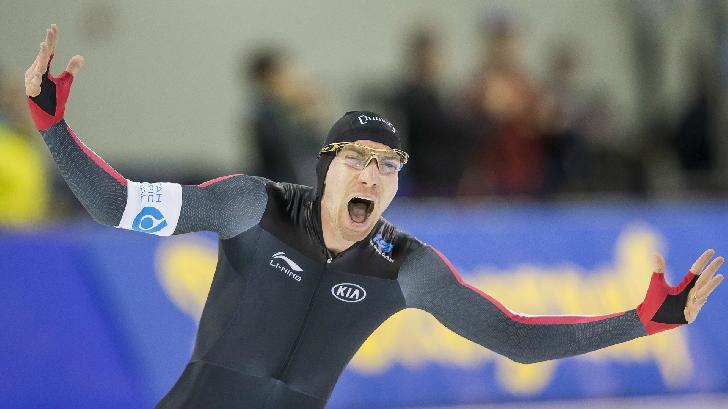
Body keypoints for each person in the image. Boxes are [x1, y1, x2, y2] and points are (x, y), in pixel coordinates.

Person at [25, 24, 724, 409]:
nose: (373, 172)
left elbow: (518, 339)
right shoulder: (252, 204)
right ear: (326, 166)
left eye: (388, 165)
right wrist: (52, 125)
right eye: (358, 157)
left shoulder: (404, 266)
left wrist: (642, 319)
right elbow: (115, 204)